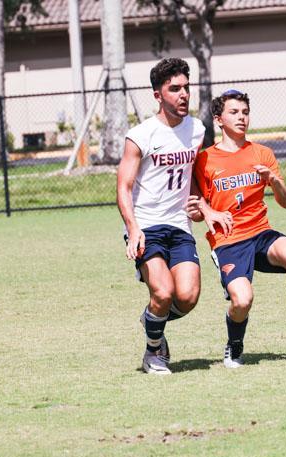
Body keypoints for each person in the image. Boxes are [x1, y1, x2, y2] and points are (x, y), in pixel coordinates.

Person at [189, 89, 286, 369]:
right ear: (219, 120)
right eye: (234, 112)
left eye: (245, 112)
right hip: (229, 241)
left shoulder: (262, 153)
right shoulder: (205, 160)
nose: (241, 118)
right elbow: (198, 213)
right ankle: (234, 345)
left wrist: (274, 180)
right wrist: (203, 212)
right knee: (242, 301)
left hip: (260, 233)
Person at [117, 58, 206, 375]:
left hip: (180, 226)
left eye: (186, 88)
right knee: (163, 292)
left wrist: (200, 205)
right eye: (175, 89)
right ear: (158, 95)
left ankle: (151, 319)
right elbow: (123, 187)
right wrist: (133, 228)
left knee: (188, 297)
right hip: (147, 226)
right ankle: (153, 353)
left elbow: (192, 175)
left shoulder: (197, 130)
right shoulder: (140, 135)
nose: (184, 95)